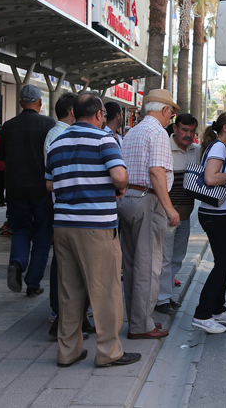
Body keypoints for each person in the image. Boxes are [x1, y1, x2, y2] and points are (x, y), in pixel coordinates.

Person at [45, 92, 140, 368]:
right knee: (105, 290)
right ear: (99, 114)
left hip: (63, 226)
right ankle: (109, 352)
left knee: (69, 291)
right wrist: (118, 188)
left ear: (74, 113)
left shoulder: (58, 142)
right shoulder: (104, 139)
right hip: (96, 226)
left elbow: (50, 184)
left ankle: (68, 352)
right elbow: (120, 176)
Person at [118, 89, 180, 339]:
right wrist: (169, 208)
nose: (170, 120)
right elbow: (156, 173)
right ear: (165, 110)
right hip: (147, 200)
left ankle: (136, 320)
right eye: (171, 115)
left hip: (128, 199)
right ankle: (141, 325)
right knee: (149, 267)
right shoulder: (157, 132)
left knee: (132, 265)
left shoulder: (133, 131)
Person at [43, 93, 93, 337]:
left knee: (67, 268)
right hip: (71, 211)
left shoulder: (58, 136)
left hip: (65, 211)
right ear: (74, 112)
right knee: (67, 269)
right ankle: (61, 315)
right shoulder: (62, 136)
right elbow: (52, 181)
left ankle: (67, 320)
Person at [192, 111, 226, 334]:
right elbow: (211, 178)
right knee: (223, 263)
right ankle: (202, 314)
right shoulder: (217, 148)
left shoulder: (219, 149)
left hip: (219, 214)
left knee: (225, 261)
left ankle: (217, 309)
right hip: (213, 216)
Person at [0, 84, 56, 298]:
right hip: (42, 190)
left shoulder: (9, 126)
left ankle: (17, 262)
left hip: (15, 190)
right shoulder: (48, 124)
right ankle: (33, 283)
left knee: (21, 231)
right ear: (40, 103)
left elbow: (2, 156)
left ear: (21, 103)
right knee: (42, 236)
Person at [155, 113, 200, 314]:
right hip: (167, 214)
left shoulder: (196, 151)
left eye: (192, 131)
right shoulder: (164, 148)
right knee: (164, 258)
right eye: (184, 130)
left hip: (185, 215)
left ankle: (166, 295)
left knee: (177, 257)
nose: (188, 135)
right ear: (175, 128)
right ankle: (161, 299)